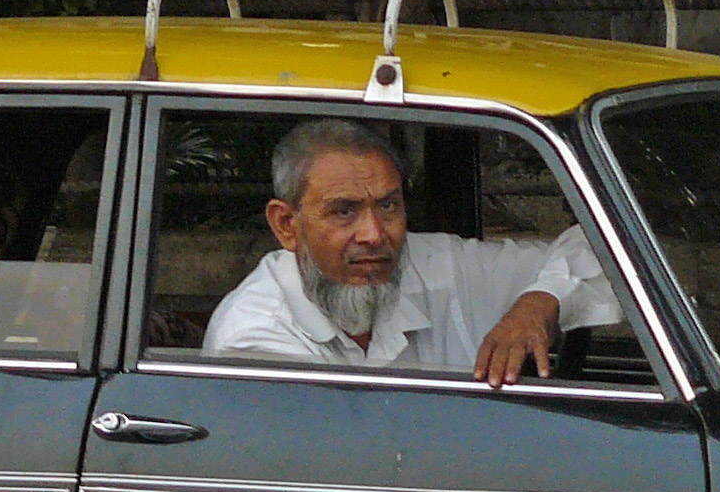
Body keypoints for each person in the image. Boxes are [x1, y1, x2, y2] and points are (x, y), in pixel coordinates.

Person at [204, 117, 620, 385]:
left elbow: (610, 253)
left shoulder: (437, 266)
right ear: (286, 225)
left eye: (388, 206)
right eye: (344, 212)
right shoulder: (254, 336)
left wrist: (538, 303)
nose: (373, 234)